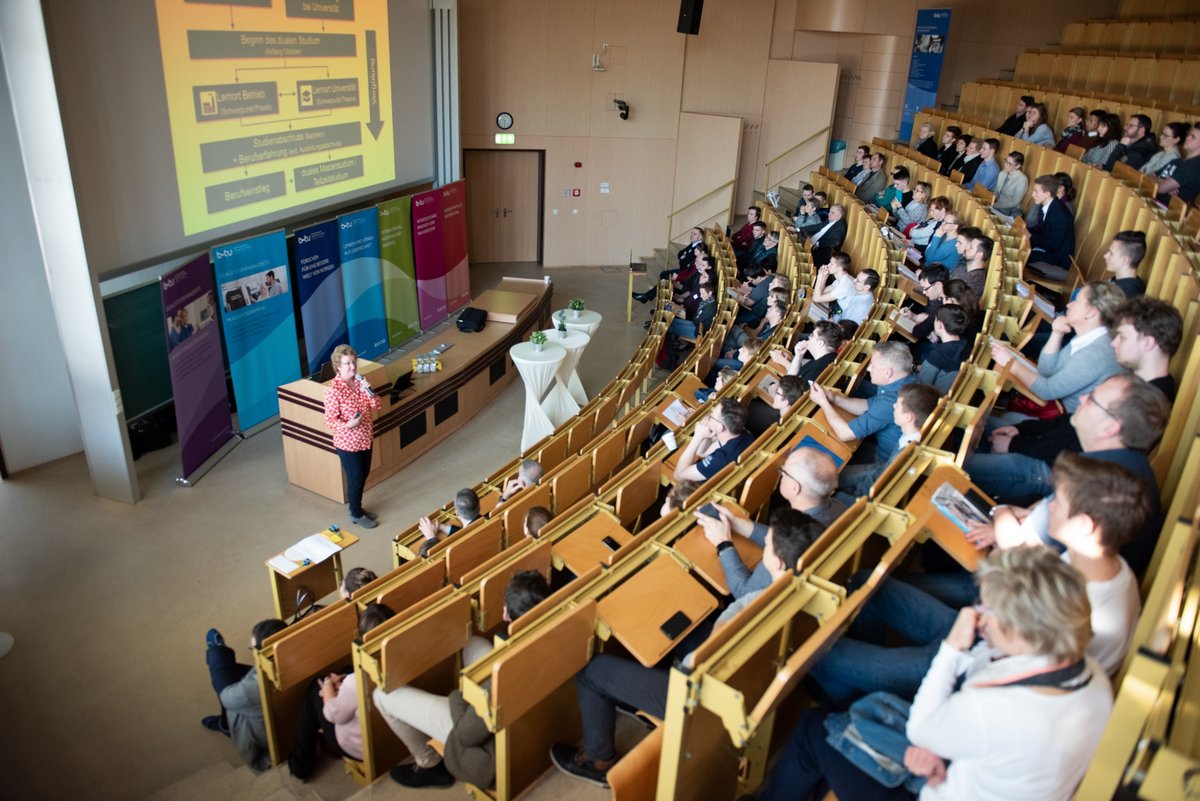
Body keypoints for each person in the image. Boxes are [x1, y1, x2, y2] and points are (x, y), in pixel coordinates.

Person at [758, 546, 1113, 801]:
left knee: (811, 730)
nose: (978, 614)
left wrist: (953, 649)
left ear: (1016, 628)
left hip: (932, 789)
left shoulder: (994, 709)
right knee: (854, 717)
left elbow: (922, 729)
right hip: (964, 767)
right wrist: (946, 754)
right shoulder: (1092, 675)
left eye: (986, 608)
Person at [550, 514, 817, 787]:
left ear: (778, 561)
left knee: (591, 671)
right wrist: (721, 628)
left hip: (694, 696)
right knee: (679, 623)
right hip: (737, 672)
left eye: (768, 546)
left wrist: (714, 641)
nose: (764, 549)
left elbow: (708, 657)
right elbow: (738, 609)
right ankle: (641, 690)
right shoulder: (794, 589)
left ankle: (598, 760)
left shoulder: (761, 603)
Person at [375, 571, 551, 789]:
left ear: (506, 615)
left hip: (488, 750)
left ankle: (429, 764)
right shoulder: (555, 630)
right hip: (522, 719)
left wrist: (460, 695)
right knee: (472, 643)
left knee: (381, 695)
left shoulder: (507, 670)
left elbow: (467, 735)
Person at [288, 603, 396, 780]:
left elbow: (333, 715)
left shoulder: (356, 681)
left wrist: (328, 686)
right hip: (394, 733)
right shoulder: (407, 653)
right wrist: (344, 685)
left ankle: (300, 766)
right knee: (347, 670)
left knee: (315, 688)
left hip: (365, 746)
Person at [991, 281, 1123, 418]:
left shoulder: (1096, 353)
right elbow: (1046, 371)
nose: (1069, 305)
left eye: (1076, 301)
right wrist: (1056, 334)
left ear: (1091, 312)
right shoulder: (1087, 335)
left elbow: (1048, 390)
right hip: (1052, 406)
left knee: (994, 424)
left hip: (1063, 419)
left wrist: (1011, 364)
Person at [809, 342, 917, 467]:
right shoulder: (907, 382)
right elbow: (867, 405)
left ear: (888, 373)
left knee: (830, 471)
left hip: (886, 465)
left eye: (873, 365)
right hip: (886, 451)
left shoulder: (889, 401)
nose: (868, 368)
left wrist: (823, 402)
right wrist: (835, 399)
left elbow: (845, 434)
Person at [201, 618, 289, 772]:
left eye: (253, 648)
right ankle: (219, 653)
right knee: (230, 671)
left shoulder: (255, 688)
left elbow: (227, 697)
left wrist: (217, 656)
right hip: (290, 712)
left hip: (271, 737)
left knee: (223, 681)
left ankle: (217, 651)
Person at [837, 382, 940, 499]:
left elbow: (868, 491)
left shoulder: (901, 457)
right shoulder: (912, 437)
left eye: (898, 405)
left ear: (908, 417)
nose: (894, 406)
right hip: (875, 473)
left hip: (861, 496)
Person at [324, 344, 382, 529]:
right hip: (348, 444)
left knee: (363, 474)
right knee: (356, 478)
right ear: (338, 367)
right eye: (347, 364)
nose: (353, 367)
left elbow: (376, 405)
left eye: (354, 362)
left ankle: (357, 506)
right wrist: (348, 425)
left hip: (365, 438)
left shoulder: (360, 381)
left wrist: (368, 389)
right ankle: (356, 513)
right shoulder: (333, 390)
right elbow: (330, 420)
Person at [1110, 297, 1182, 400]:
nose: (1113, 343)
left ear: (1147, 343)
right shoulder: (1144, 387)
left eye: (1122, 337)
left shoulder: (1146, 404)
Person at [673, 398, 754, 482]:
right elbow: (702, 452)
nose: (708, 416)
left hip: (703, 490)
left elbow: (678, 475)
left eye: (711, 416)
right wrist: (707, 431)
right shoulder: (741, 434)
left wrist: (697, 437)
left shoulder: (721, 459)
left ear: (720, 428)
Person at [1025, 174, 1075, 280]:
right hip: (1048, 249)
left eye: (1036, 191)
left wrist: (1030, 236)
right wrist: (1025, 230)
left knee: (1020, 255)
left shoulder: (1060, 214)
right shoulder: (1049, 205)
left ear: (1047, 194)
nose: (1033, 194)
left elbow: (1054, 244)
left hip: (1057, 257)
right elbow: (1041, 232)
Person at [915, 306, 970, 392]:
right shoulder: (965, 342)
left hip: (931, 397)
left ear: (940, 324)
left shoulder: (938, 354)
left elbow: (920, 385)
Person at [770, 319, 844, 382]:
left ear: (820, 343)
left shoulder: (814, 371)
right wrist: (798, 356)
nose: (809, 337)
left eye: (812, 335)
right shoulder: (832, 358)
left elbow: (790, 384)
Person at [419, 487, 484, 552]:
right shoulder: (488, 519)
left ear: (457, 513)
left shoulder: (461, 545)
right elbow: (465, 532)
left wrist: (430, 537)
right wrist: (442, 527)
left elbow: (442, 558)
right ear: (479, 506)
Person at [1155, 123, 1200, 205]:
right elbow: (1149, 175)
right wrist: (1162, 181)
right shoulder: (1178, 161)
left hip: (1166, 210)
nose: (1187, 138)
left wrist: (1161, 181)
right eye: (1189, 135)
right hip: (1154, 200)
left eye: (1193, 137)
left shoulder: (1195, 166)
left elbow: (1160, 188)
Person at [949, 229, 991, 302]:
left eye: (971, 247)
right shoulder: (963, 266)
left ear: (979, 255)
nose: (966, 248)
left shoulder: (975, 280)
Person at [1103, 230, 1147, 298]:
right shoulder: (1118, 280)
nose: (1105, 256)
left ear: (1125, 260)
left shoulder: (1128, 292)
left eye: (1111, 253)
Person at [991, 150, 1027, 218]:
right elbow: (996, 191)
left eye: (1010, 163)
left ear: (1018, 166)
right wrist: (990, 200)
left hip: (1009, 209)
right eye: (1006, 161)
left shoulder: (1022, 180)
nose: (1006, 165)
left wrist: (995, 205)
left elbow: (1014, 202)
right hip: (996, 204)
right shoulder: (1002, 173)